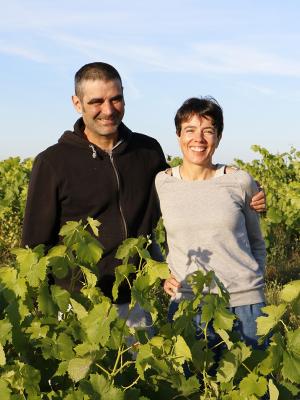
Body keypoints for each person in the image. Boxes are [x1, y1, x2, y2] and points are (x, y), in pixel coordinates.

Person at [22, 62, 265, 311]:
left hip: (135, 301)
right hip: (77, 303)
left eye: (116, 99)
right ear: (77, 103)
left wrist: (244, 187)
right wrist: (42, 308)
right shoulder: (52, 162)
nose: (108, 110)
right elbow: (34, 244)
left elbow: (186, 187)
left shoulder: (147, 151)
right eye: (96, 102)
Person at [155, 97, 266, 348]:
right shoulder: (162, 183)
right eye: (190, 130)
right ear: (178, 135)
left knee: (252, 383)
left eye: (208, 131)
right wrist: (163, 272)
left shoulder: (240, 181)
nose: (199, 139)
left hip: (244, 306)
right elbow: (148, 233)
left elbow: (257, 241)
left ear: (218, 137)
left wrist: (252, 283)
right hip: (187, 304)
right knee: (189, 386)